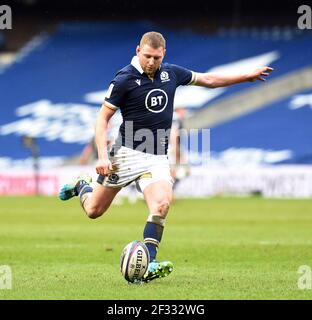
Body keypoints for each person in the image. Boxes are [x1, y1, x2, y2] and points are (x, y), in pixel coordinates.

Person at [59, 31, 273, 283]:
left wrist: (244, 76)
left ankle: (149, 261)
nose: (151, 61)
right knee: (94, 210)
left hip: (157, 156)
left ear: (164, 54)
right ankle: (82, 184)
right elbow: (102, 118)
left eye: (156, 57)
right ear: (138, 50)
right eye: (147, 56)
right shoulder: (124, 79)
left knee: (161, 205)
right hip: (125, 155)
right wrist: (103, 156)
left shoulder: (171, 73)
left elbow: (209, 79)